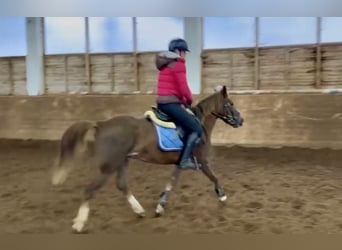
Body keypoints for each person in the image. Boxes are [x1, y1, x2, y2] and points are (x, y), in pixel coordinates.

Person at [155, 38, 203, 170]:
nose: (185, 55)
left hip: (162, 103)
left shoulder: (165, 64)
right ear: (178, 51)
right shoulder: (178, 64)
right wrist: (189, 100)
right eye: (184, 52)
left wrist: (182, 101)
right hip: (171, 104)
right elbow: (183, 87)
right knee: (196, 128)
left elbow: (173, 87)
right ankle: (184, 160)